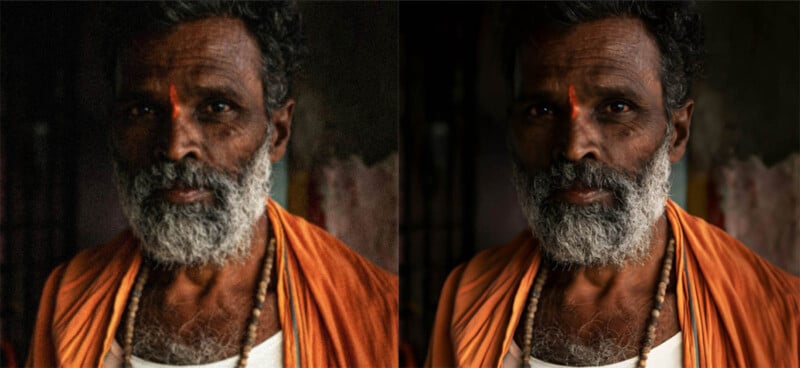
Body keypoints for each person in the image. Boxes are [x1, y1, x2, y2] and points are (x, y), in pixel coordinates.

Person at [426, 2, 799, 367]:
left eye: (617, 107)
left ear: (677, 133)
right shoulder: (467, 297)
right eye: (541, 110)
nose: (573, 148)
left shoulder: (778, 316)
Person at [27, 2, 397, 367]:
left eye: (217, 108)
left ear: (278, 133)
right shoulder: (70, 298)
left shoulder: (370, 310)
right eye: (142, 111)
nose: (175, 148)